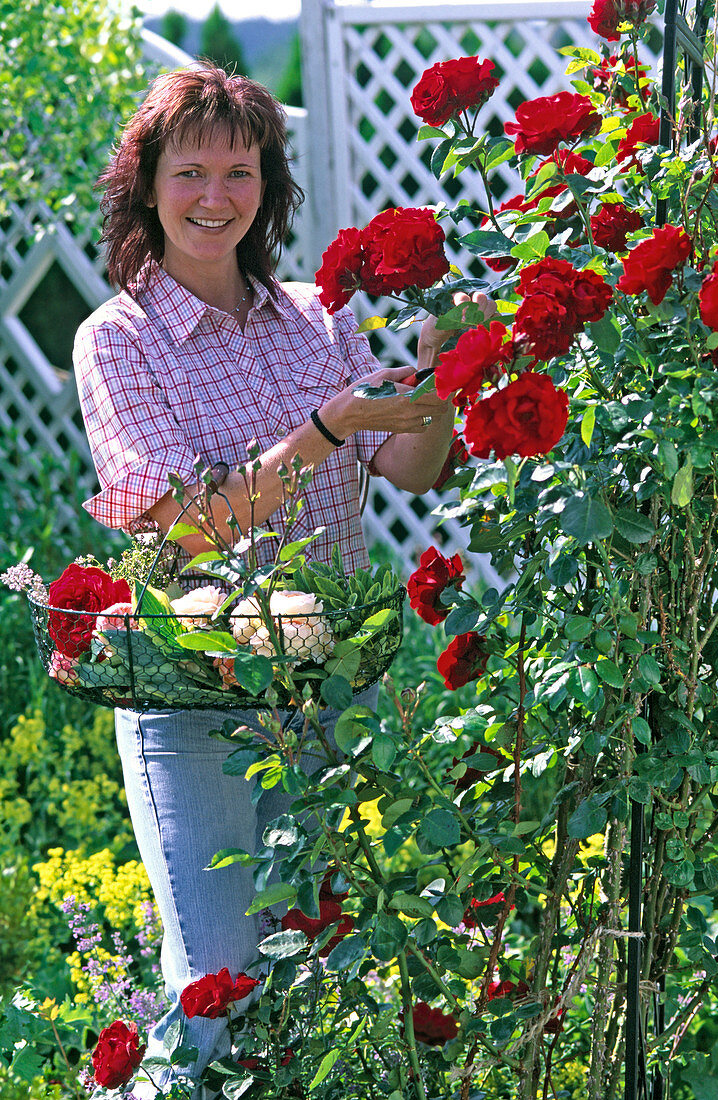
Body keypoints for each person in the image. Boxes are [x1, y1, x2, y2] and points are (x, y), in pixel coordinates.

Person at [74, 64, 491, 1097]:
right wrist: (325, 430)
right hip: (199, 699)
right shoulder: (117, 342)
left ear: (267, 186)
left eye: (240, 170)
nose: (215, 196)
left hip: (329, 688)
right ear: (147, 185)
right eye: (190, 171)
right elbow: (185, 525)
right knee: (219, 998)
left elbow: (412, 467)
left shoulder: (316, 316)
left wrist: (436, 380)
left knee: (322, 985)